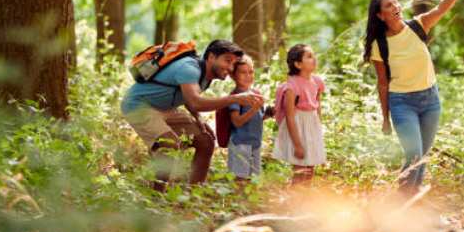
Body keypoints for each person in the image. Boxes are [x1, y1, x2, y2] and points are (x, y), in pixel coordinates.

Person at [363, 0, 464, 194]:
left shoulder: (417, 26)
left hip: (430, 100)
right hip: (402, 103)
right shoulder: (379, 44)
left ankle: (412, 205)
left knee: (422, 157)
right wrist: (385, 118)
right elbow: (382, 83)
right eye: (388, 5)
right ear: (380, 15)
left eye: (396, 3)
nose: (395, 7)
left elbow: (441, 9)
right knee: (414, 154)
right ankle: (399, 202)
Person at [121, 39, 264, 189]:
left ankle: (193, 192)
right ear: (211, 57)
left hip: (166, 109)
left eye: (233, 63)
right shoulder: (189, 69)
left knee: (206, 140)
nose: (230, 67)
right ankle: (157, 194)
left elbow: (188, 99)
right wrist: (234, 99)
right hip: (139, 106)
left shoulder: (206, 77)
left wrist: (198, 119)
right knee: (169, 143)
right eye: (227, 60)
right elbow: (196, 101)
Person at [273, 44, 326, 185]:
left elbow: (317, 105)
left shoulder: (317, 82)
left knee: (310, 169)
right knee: (300, 170)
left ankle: (305, 201)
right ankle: (294, 201)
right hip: (298, 127)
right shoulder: (292, 87)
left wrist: (318, 129)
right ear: (298, 64)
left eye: (313, 55)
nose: (314, 59)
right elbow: (290, 117)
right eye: (309, 56)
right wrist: (297, 145)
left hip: (312, 125)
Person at [227, 55, 274, 183]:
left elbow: (257, 118)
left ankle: (248, 203)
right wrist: (254, 108)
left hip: (255, 143)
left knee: (253, 179)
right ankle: (237, 201)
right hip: (240, 144)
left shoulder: (255, 93)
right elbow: (237, 121)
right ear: (233, 76)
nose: (248, 75)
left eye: (251, 71)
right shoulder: (236, 96)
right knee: (240, 179)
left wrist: (269, 114)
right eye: (243, 72)